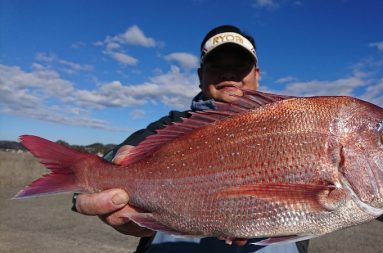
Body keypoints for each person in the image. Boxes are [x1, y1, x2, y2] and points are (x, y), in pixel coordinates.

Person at [72, 25, 309, 253]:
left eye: (240, 65)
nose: (228, 73)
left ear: (256, 73)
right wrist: (93, 188)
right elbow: (114, 159)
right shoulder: (171, 127)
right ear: (200, 75)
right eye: (216, 65)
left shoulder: (293, 124)